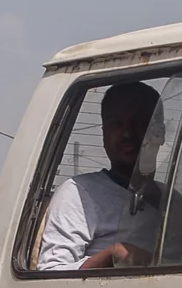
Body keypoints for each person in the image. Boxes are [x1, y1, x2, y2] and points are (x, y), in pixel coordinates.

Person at [37, 79, 170, 271]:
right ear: (104, 134)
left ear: (160, 133)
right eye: (116, 124)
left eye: (140, 123)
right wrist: (114, 255)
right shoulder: (80, 195)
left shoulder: (171, 201)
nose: (127, 133)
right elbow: (50, 274)